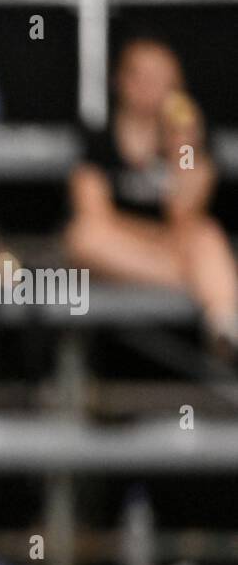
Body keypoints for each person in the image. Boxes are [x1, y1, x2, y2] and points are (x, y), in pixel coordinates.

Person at [65, 37, 238, 354]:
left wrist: (183, 147)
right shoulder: (99, 137)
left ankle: (225, 328)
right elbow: (92, 215)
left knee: (207, 236)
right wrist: (161, 245)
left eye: (160, 78)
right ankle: (201, 283)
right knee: (83, 236)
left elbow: (185, 213)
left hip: (170, 243)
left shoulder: (190, 137)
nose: (148, 87)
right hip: (122, 252)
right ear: (119, 80)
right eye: (139, 75)